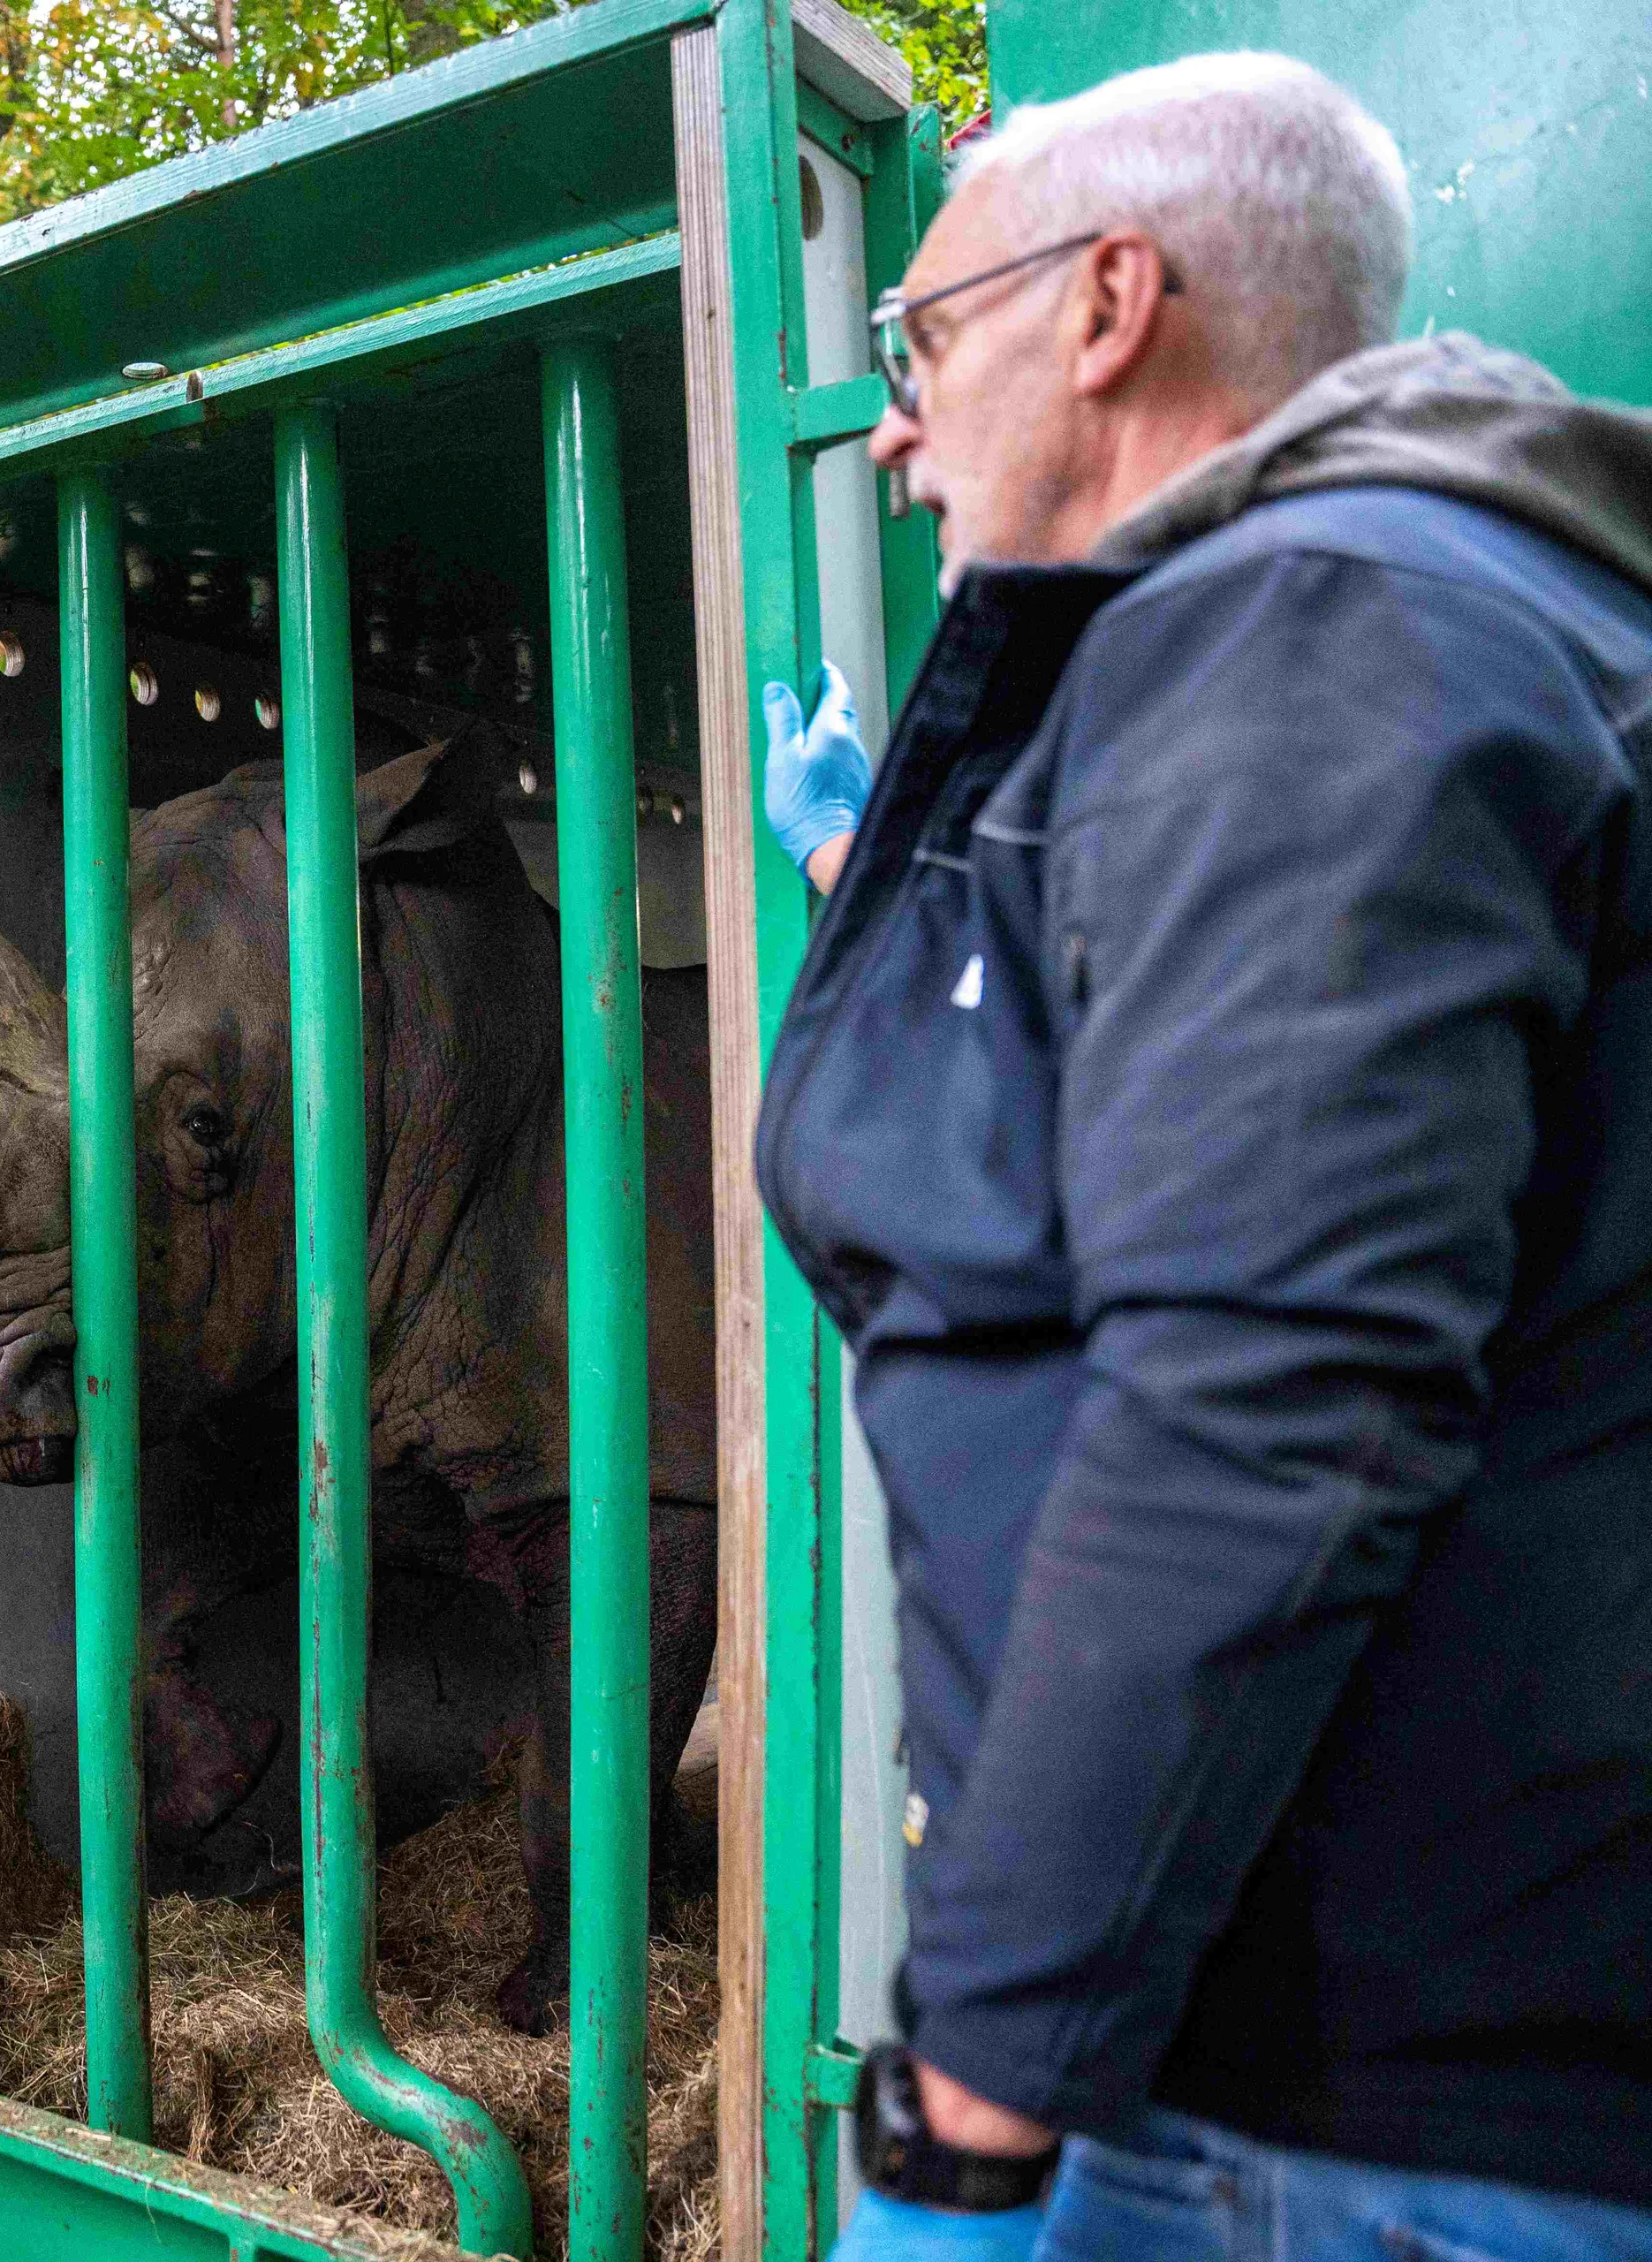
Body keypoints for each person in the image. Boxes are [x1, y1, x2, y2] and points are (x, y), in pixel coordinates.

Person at [750, 52, 1652, 2262]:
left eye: (922, 337)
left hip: (1305, 2115)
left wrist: (966, 2103)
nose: (890, 423)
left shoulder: (1318, 626)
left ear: (1110, 304)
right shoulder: (1426, 625)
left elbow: (1270, 1404)